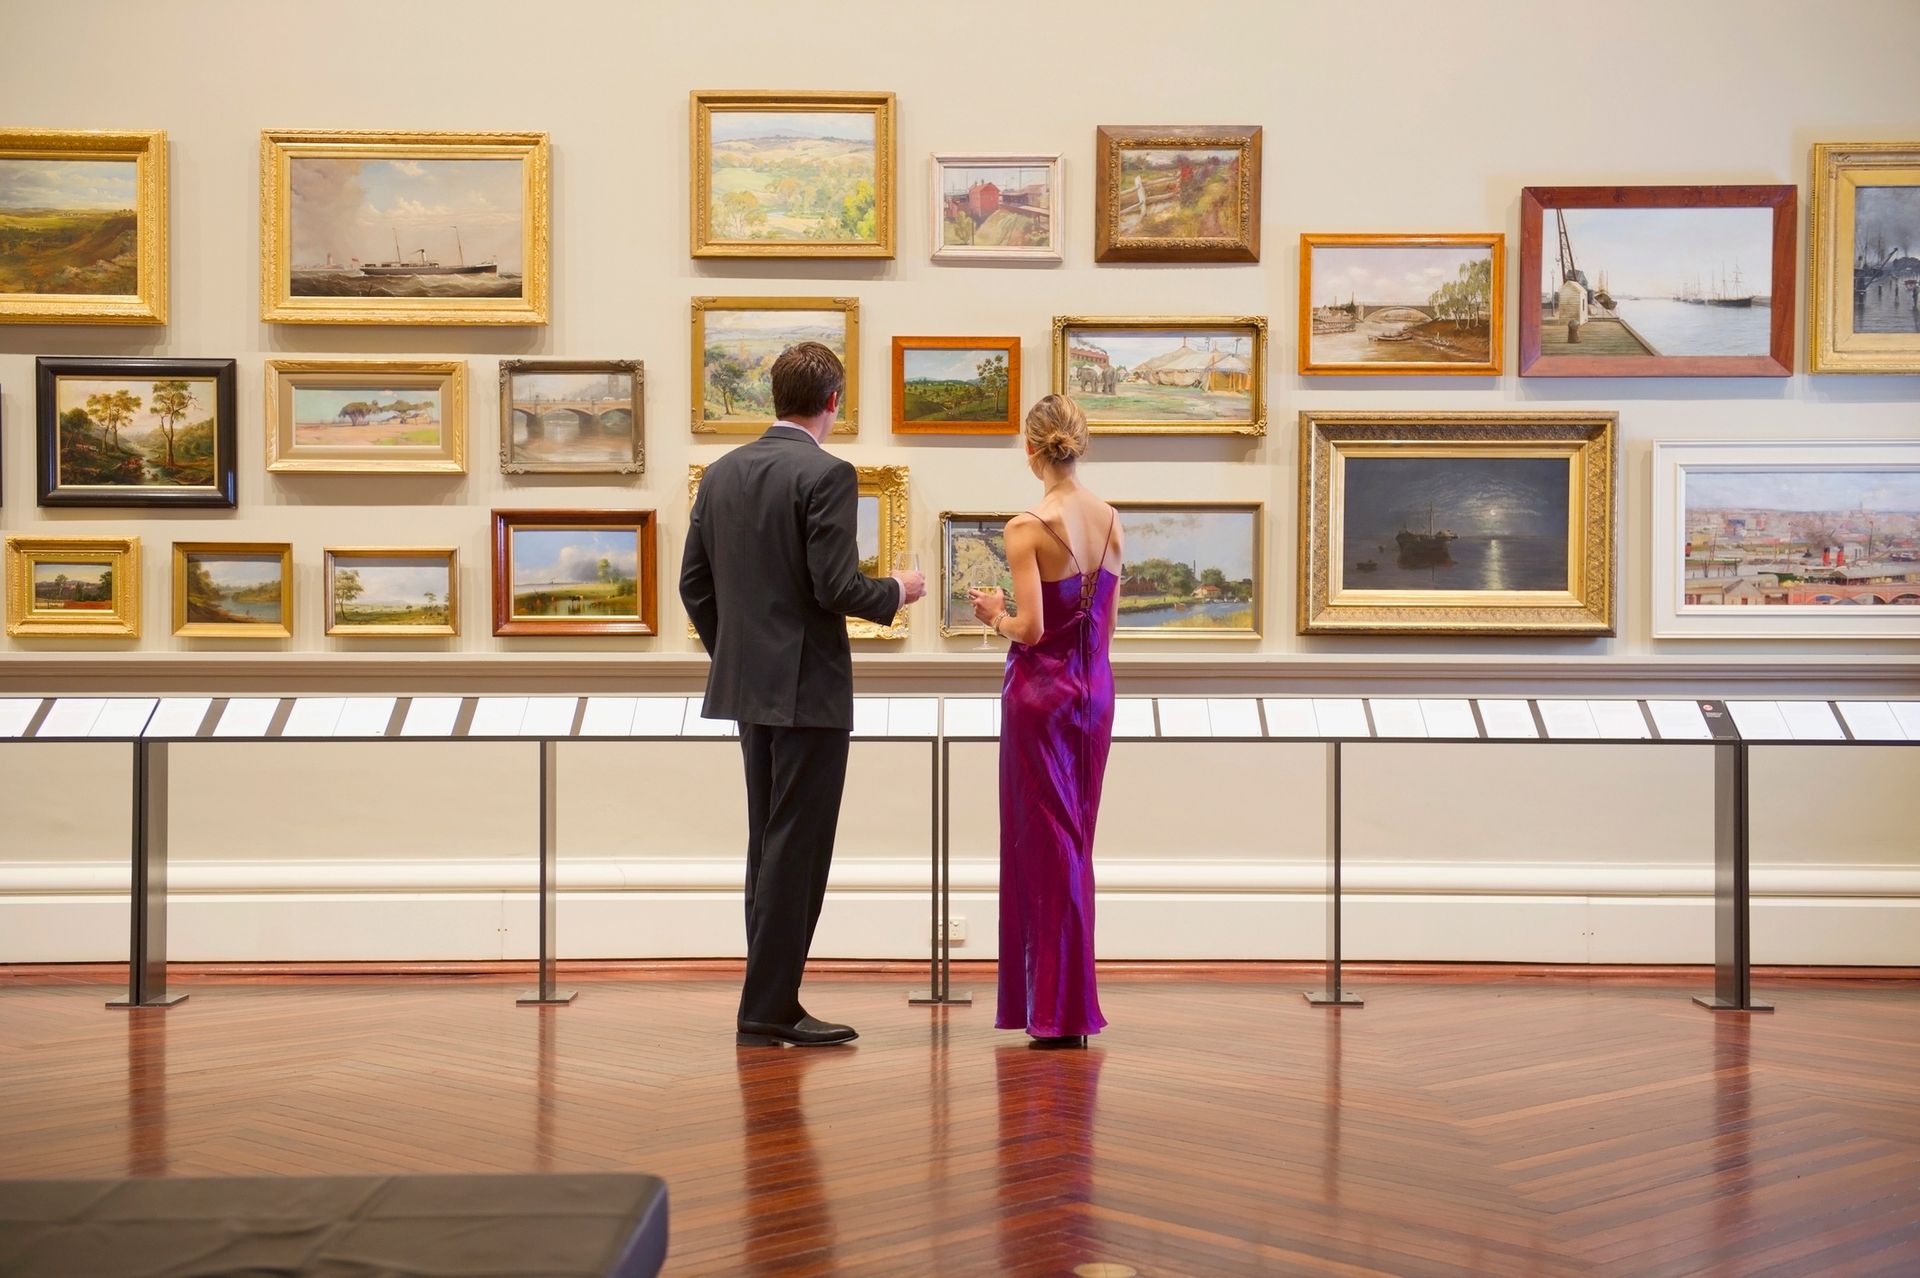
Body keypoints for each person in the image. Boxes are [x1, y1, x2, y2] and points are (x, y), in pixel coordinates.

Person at [680, 342, 927, 1047]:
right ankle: (768, 1008)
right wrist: (899, 591)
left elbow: (693, 585)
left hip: (748, 687)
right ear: (835, 403)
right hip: (809, 690)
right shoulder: (827, 474)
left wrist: (739, 652)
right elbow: (837, 588)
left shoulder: (721, 474)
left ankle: (768, 1002)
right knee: (798, 849)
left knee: (768, 843)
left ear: (775, 397)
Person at [968, 394, 1120, 1050]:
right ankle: (1069, 1005)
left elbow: (1030, 629)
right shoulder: (1111, 519)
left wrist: (992, 615)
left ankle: (1057, 1013)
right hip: (1095, 695)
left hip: (1040, 697)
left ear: (1031, 450)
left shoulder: (1027, 526)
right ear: (1077, 445)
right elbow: (1102, 622)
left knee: (1047, 843)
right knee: (1075, 842)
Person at [1556, 270, 1589, 344]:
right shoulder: (1577, 289)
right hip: (1576, 322)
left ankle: (1573, 339)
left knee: (1573, 324)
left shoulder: (1567, 288)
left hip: (1572, 322)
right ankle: (1574, 339)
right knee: (1574, 324)